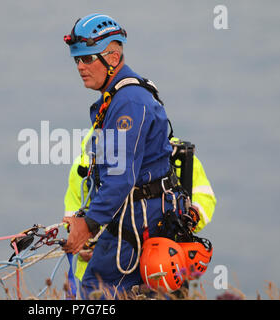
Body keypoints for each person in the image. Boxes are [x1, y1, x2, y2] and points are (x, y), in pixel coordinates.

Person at [61, 13, 186, 298]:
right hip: (138, 215)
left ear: (113, 57)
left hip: (139, 218)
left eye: (88, 58)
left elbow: (120, 177)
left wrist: (89, 225)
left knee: (97, 291)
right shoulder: (116, 97)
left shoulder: (128, 101)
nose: (80, 67)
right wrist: (92, 219)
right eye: (76, 60)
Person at [63, 128, 217, 287]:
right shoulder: (84, 166)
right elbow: (73, 215)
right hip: (101, 275)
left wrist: (188, 221)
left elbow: (204, 197)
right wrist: (83, 244)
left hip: (165, 267)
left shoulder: (173, 154)